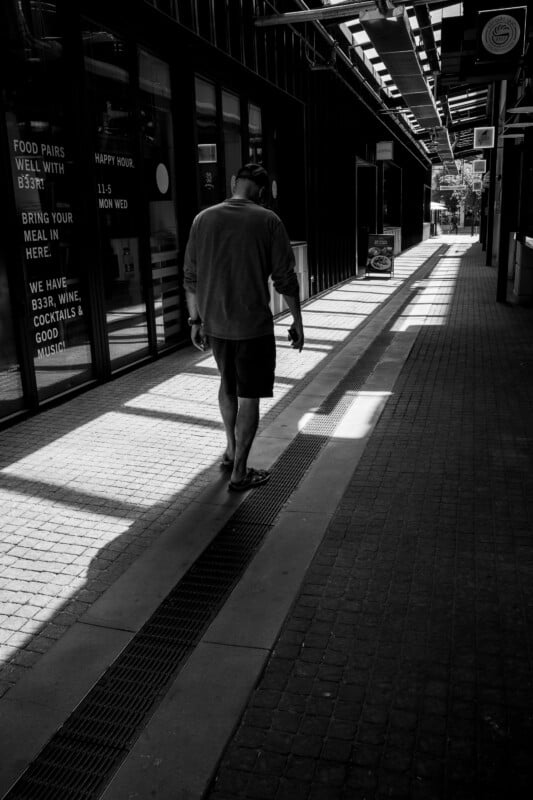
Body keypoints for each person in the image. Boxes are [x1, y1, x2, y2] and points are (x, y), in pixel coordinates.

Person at [183, 162, 304, 492]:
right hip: (253, 327)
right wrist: (297, 321)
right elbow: (285, 279)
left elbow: (190, 277)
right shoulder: (268, 220)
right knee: (249, 394)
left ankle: (231, 449)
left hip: (216, 324)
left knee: (227, 384)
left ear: (235, 182)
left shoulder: (203, 219)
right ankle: (239, 471)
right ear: (262, 191)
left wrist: (195, 320)